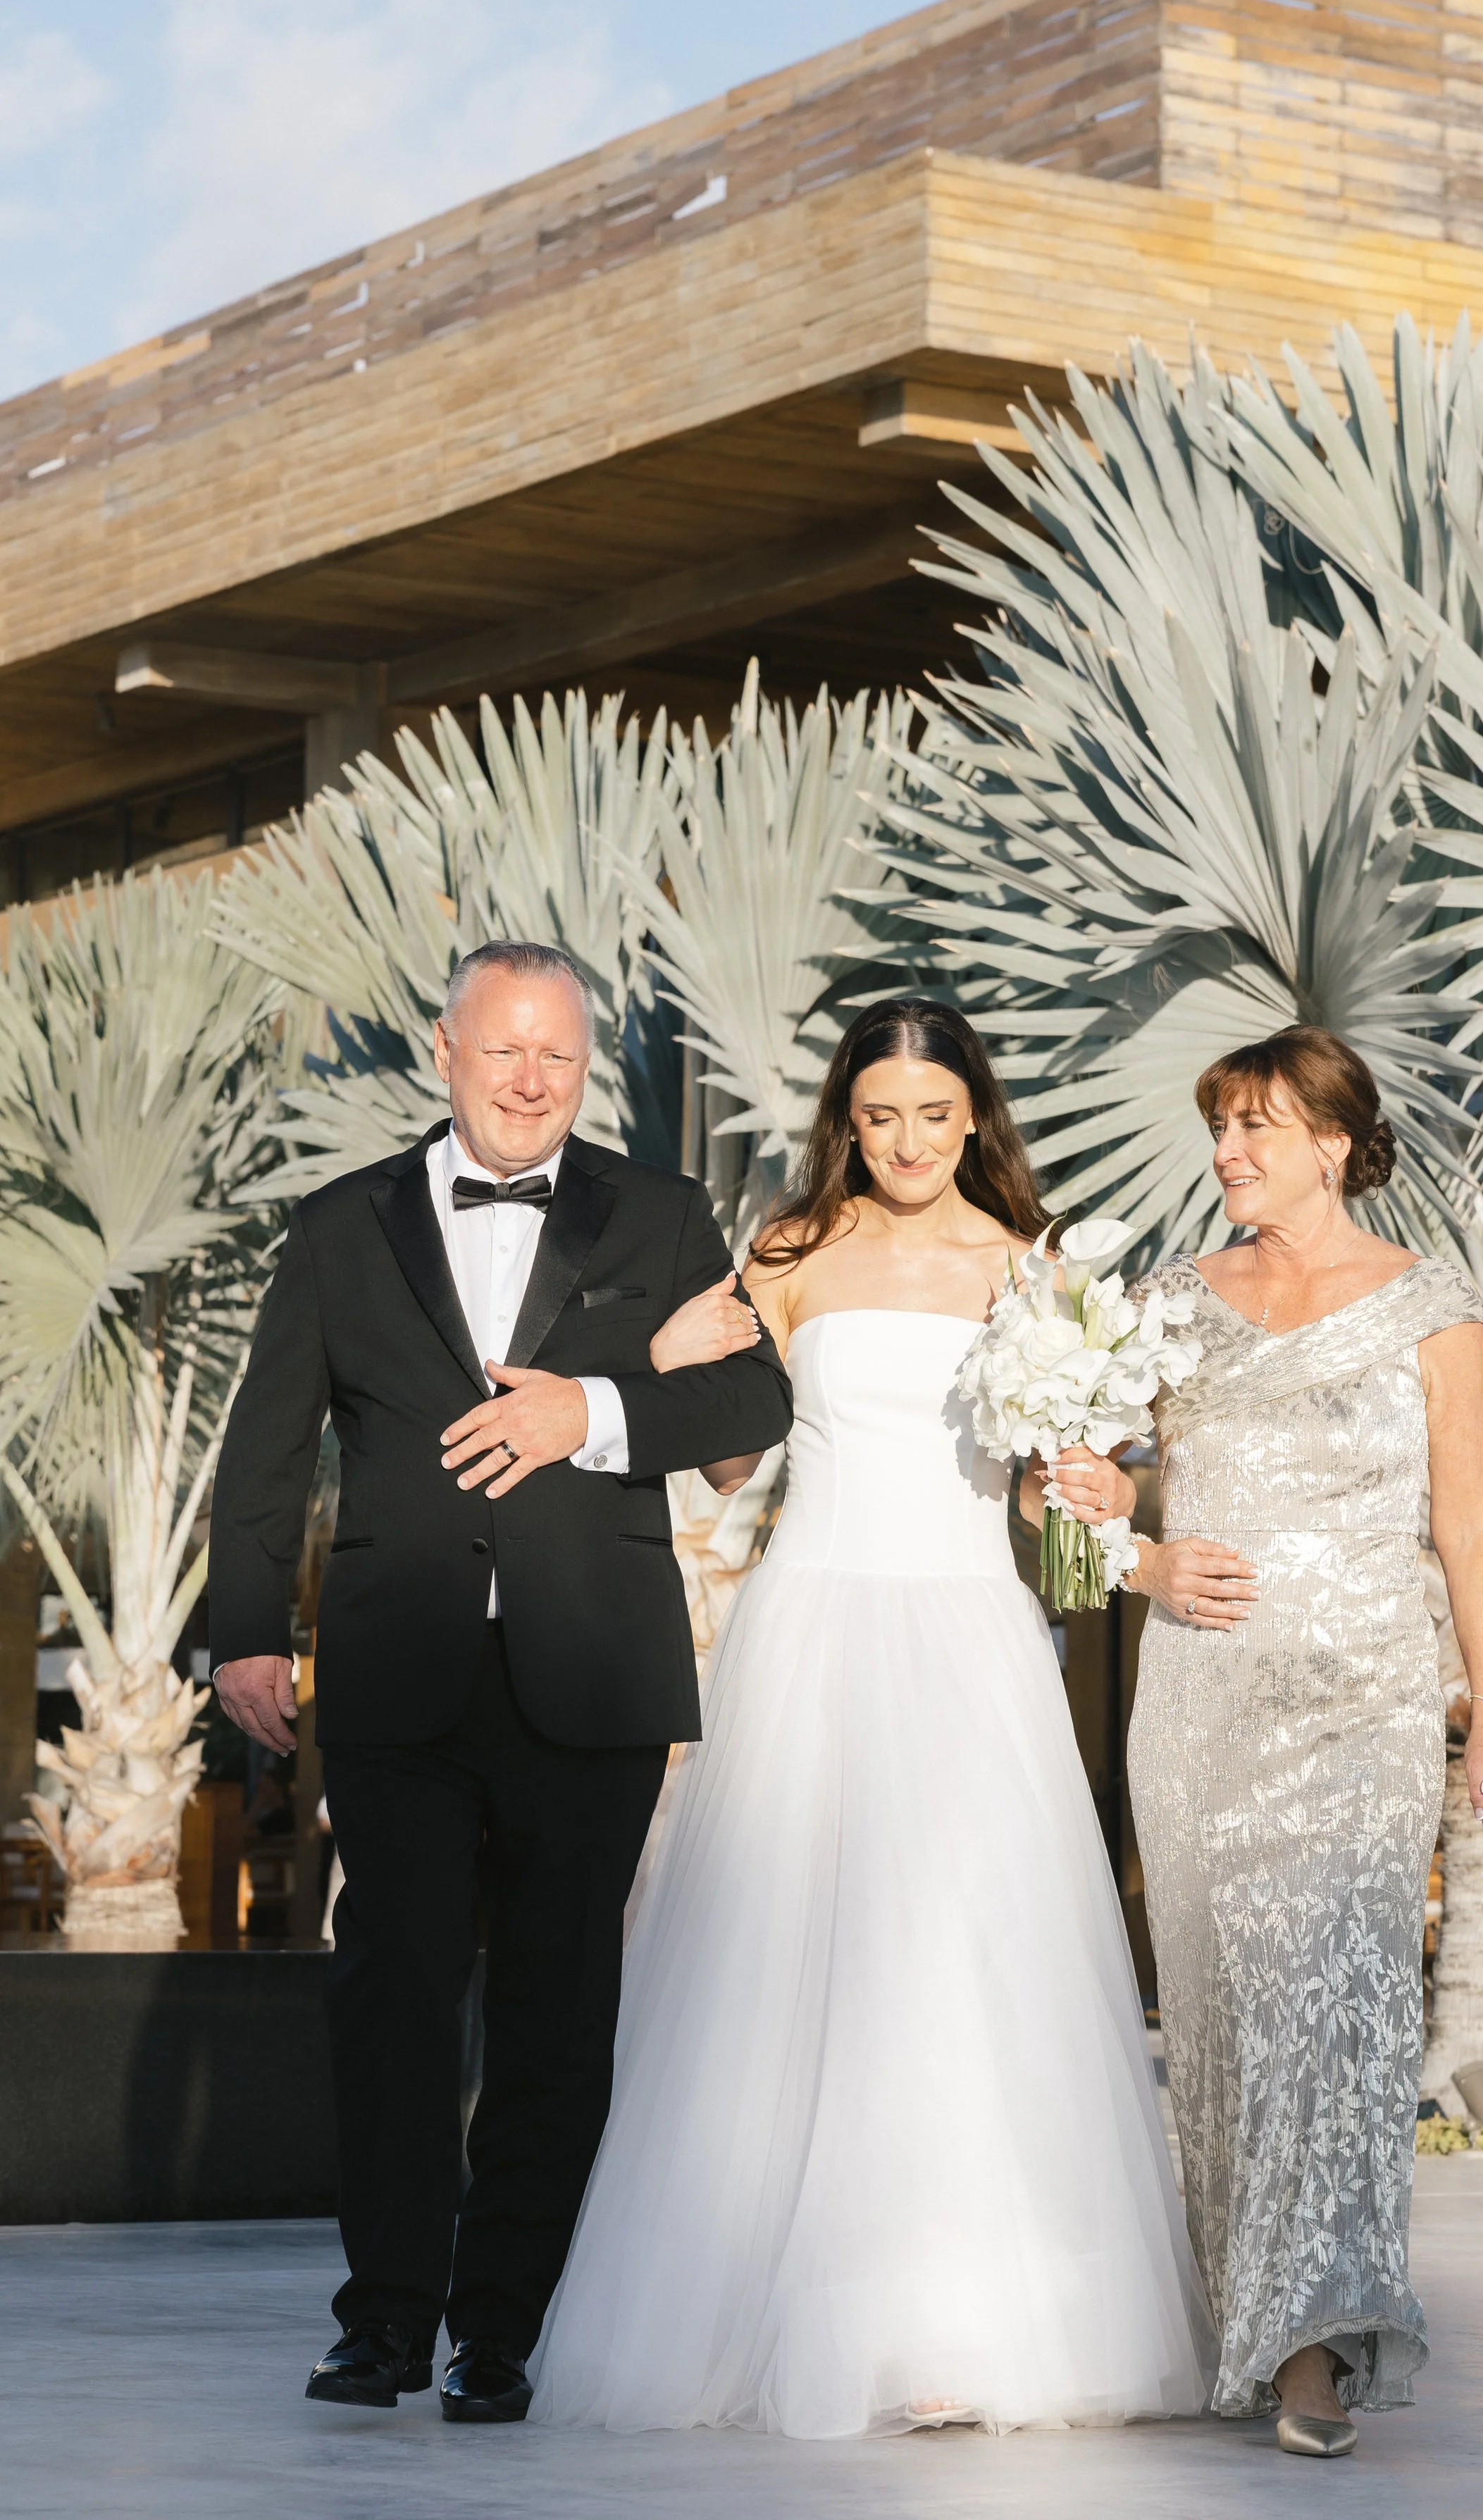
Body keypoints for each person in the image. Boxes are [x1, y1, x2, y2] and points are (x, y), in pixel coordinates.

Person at [528, 998, 1214, 2437]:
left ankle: (958, 2323)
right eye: (879, 1115)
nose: (905, 1142)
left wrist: (1098, 1509)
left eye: (933, 1115)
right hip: (816, 1630)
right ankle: (776, 2314)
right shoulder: (787, 1253)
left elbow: (1054, 1518)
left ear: (974, 1118)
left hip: (969, 1635)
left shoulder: (1031, 1271)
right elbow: (727, 1471)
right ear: (849, 1117)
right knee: (793, 1972)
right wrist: (663, 1364)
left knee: (961, 1972)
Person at [207, 940, 792, 2425]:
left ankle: (506, 2331)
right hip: (400, 1677)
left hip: (589, 1674)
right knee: (390, 2001)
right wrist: (249, 1631)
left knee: (554, 2016)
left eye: (559, 1057)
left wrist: (585, 1414)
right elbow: (270, 1448)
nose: (532, 1081)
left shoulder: (655, 1215)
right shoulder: (342, 1226)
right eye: (504, 1051)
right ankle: (385, 2322)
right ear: (444, 1050)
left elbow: (746, 1399)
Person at [1040, 1026, 1483, 2460]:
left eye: (1255, 1126)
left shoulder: (1430, 1304)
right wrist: (1140, 1562)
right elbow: (1054, 1490)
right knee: (1223, 2030)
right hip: (1199, 1713)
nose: (1227, 1153)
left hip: (1364, 1711)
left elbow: (1469, 1522)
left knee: (1341, 2017)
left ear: (1333, 1139)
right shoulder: (1164, 1307)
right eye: (1220, 1128)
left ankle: (1315, 2346)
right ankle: (1234, 2324)